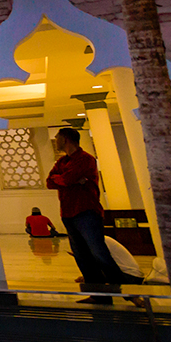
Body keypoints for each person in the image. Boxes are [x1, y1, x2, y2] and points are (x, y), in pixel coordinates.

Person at [46, 127, 125, 302]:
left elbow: (65, 179)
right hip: (68, 212)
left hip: (86, 211)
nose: (56, 141)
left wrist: (65, 179)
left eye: (57, 138)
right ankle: (98, 295)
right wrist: (68, 180)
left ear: (65, 139)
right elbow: (49, 182)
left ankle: (127, 292)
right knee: (82, 256)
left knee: (99, 253)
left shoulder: (86, 159)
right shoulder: (62, 162)